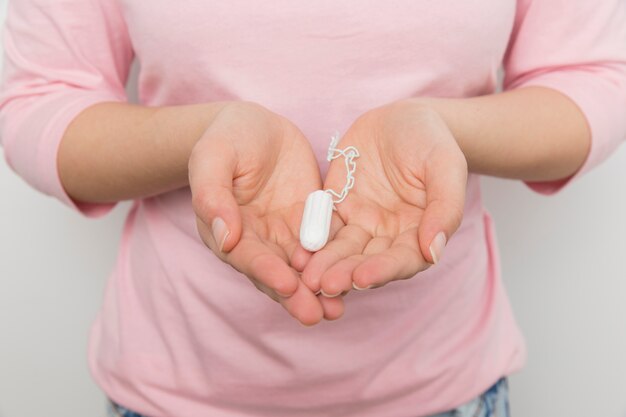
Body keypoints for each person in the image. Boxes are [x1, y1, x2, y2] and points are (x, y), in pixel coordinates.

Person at [1, 1, 625, 416]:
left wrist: (444, 127)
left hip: (443, 386)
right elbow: (40, 98)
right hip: (177, 389)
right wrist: (202, 136)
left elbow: (591, 78)